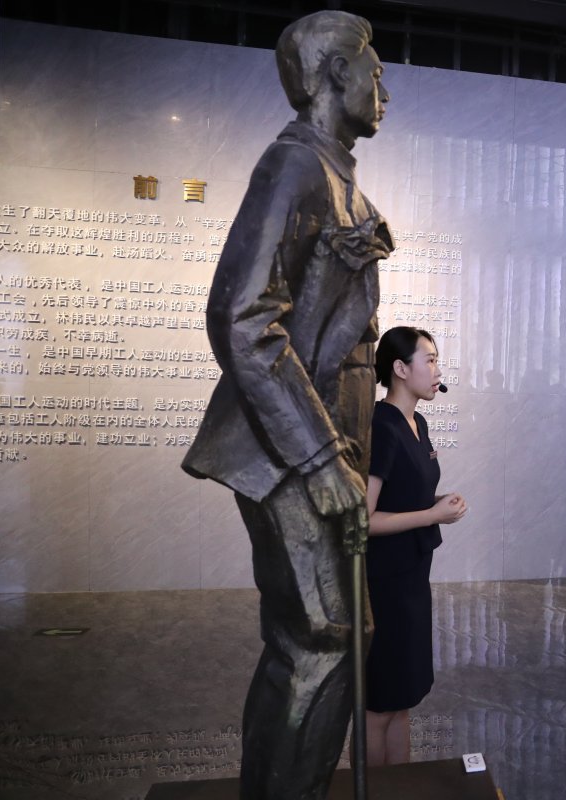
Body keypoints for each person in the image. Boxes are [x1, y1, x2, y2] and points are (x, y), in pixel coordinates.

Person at [180, 11, 393, 798]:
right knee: (321, 639)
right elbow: (241, 314)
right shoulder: (295, 165)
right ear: (336, 73)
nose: (385, 88)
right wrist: (319, 457)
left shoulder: (337, 174)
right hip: (288, 451)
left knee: (334, 637)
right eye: (375, 70)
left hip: (320, 443)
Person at [364, 327, 467, 764]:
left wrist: (437, 502)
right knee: (378, 705)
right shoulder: (382, 426)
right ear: (400, 369)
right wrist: (432, 515)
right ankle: (370, 791)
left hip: (411, 578)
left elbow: (404, 496)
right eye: (430, 360)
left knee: (402, 698)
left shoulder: (418, 423)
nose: (438, 370)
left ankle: (399, 788)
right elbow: (363, 519)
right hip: (383, 582)